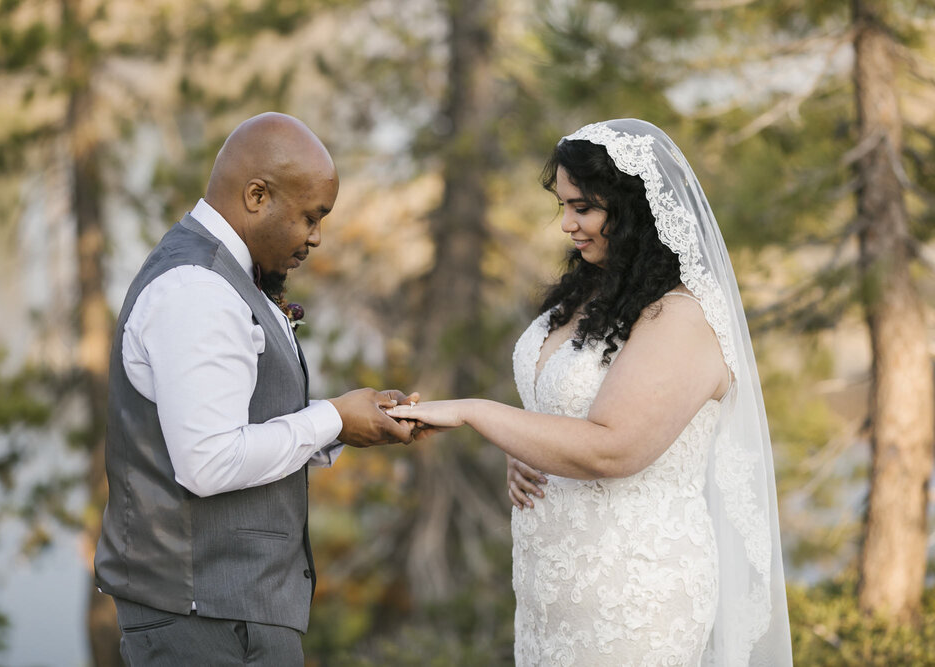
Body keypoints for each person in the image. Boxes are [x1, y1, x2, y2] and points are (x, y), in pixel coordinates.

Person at [389, 119, 792, 665]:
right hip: (550, 588)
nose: (567, 226)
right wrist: (522, 445)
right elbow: (560, 408)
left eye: (584, 208)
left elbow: (613, 447)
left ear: (632, 210)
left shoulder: (680, 315)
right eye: (563, 207)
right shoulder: (589, 292)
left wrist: (477, 413)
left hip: (634, 591)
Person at [94, 112, 418, 666]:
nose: (316, 237)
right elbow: (209, 461)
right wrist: (333, 419)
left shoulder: (226, 276)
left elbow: (234, 427)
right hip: (203, 625)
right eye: (310, 217)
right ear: (256, 196)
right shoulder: (197, 288)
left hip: (222, 615)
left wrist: (345, 423)